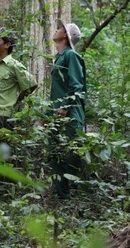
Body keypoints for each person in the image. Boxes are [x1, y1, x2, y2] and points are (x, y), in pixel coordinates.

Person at [47, 20, 86, 199]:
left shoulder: (72, 55)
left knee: (72, 155)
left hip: (68, 114)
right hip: (57, 113)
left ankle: (80, 196)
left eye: (60, 29)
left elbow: (76, 86)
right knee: (55, 153)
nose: (56, 30)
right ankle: (62, 195)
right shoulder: (60, 57)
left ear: (65, 36)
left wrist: (64, 107)